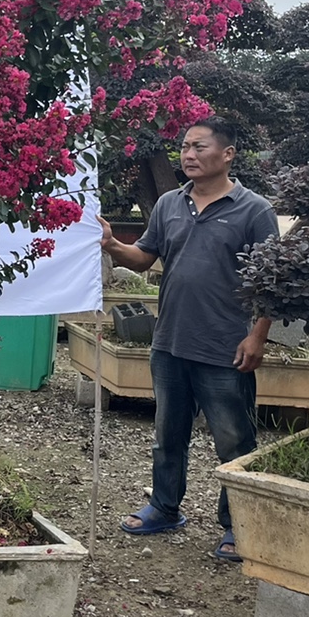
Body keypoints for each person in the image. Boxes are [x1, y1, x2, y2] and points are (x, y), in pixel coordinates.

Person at [99, 116, 278, 562]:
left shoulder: (254, 210)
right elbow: (144, 258)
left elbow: (271, 283)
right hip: (170, 342)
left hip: (225, 347)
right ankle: (164, 507)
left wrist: (258, 336)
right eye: (185, 147)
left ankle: (239, 525)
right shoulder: (168, 204)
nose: (189, 155)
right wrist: (111, 245)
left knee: (235, 440)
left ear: (228, 154)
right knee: (168, 433)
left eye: (199, 147)